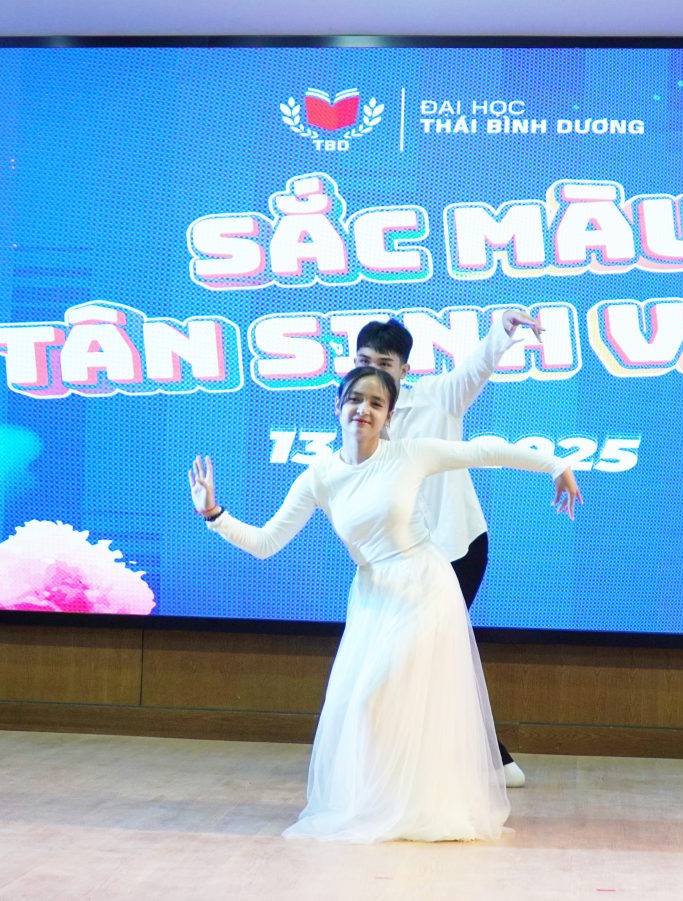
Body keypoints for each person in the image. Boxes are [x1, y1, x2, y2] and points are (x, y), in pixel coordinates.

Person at [189, 365, 581, 843]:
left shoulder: (408, 455)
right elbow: (266, 543)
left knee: (371, 698)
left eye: (377, 403)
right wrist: (214, 514)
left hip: (424, 587)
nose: (364, 410)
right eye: (356, 399)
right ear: (337, 406)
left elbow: (484, 450)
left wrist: (555, 465)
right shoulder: (320, 477)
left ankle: (400, 807)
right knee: (365, 705)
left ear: (389, 416)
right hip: (373, 598)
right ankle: (389, 804)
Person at [353, 311, 540, 786]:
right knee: (416, 656)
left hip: (456, 549)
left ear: (404, 370)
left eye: (384, 363)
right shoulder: (358, 417)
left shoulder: (438, 397)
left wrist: (504, 329)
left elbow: (476, 367)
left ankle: (487, 759)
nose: (373, 371)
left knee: (431, 652)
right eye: (363, 361)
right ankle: (437, 758)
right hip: (400, 561)